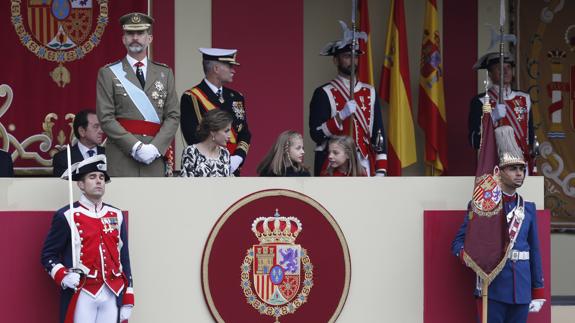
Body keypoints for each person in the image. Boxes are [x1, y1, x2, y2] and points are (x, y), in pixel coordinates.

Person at [452, 126, 545, 323]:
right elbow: (458, 243)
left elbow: (535, 251)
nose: (519, 173)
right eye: (513, 169)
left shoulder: (528, 209)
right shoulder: (482, 205)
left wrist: (538, 290)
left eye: (521, 169)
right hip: (492, 287)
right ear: (498, 172)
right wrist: (472, 258)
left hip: (521, 288)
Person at [41, 155, 134, 323]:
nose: (99, 181)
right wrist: (63, 275)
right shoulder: (66, 215)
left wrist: (128, 296)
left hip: (112, 292)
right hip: (83, 292)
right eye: (92, 177)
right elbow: (48, 255)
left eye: (101, 177)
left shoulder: (116, 214)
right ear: (81, 184)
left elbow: (124, 258)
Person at [96, 12, 180, 177]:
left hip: (154, 157)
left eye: (140, 33)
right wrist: (135, 147)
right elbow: (105, 117)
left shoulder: (165, 73)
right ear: (123, 39)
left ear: (149, 38)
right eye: (130, 33)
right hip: (122, 156)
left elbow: (173, 115)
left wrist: (155, 147)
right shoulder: (108, 73)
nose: (135, 37)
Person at [309, 23, 387, 177]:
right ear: (336, 61)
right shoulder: (323, 93)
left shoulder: (369, 91)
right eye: (346, 56)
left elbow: (378, 134)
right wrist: (341, 116)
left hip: (363, 161)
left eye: (355, 56)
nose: (352, 61)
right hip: (332, 164)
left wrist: (381, 169)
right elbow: (316, 134)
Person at [180, 48, 251, 176]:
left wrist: (238, 158)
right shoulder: (192, 97)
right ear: (216, 69)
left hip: (234, 168)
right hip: (206, 167)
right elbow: (192, 135)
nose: (233, 70)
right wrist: (215, 158)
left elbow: (244, 132)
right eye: (229, 66)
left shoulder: (236, 97)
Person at [469, 52, 535, 173]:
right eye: (500, 68)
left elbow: (530, 137)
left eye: (508, 67)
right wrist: (491, 118)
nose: (506, 71)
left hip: (521, 167)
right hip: (494, 166)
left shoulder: (524, 98)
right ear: (490, 73)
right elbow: (474, 141)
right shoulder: (480, 101)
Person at [180, 109, 233, 177]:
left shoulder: (225, 153)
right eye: (226, 131)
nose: (229, 136)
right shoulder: (191, 152)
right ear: (213, 131)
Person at [53, 109, 105, 177]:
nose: (101, 131)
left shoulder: (110, 155)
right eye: (96, 126)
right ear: (82, 131)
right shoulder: (63, 158)